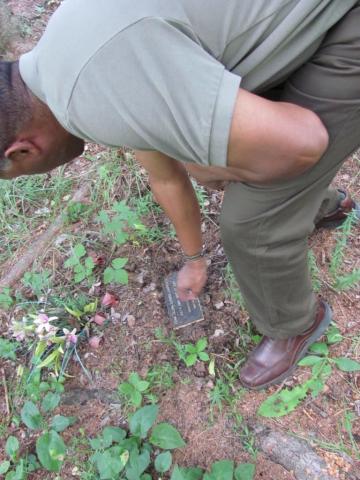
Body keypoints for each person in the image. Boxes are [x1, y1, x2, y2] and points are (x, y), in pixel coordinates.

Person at [0, 0, 359, 390]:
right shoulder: (64, 49)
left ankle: (295, 324)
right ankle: (319, 206)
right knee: (232, 153)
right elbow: (165, 175)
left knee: (249, 224)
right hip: (295, 18)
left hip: (344, 26)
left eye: (15, 174)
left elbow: (301, 144)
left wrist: (217, 165)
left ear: (21, 151)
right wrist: (194, 260)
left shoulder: (88, 102)